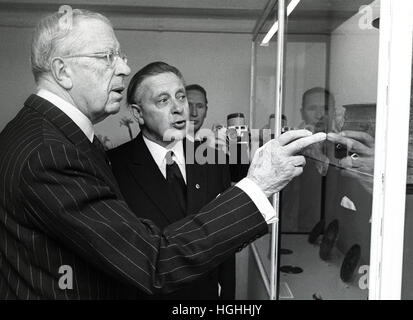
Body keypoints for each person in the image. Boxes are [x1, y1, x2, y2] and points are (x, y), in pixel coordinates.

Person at [0, 8, 326, 299]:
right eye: (107, 57)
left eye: (181, 97)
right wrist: (260, 185)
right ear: (62, 71)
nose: (124, 67)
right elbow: (151, 261)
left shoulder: (55, 138)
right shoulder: (51, 153)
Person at [108, 62, 235, 299]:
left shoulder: (214, 160)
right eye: (163, 101)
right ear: (138, 113)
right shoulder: (113, 166)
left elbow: (224, 243)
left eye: (181, 97)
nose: (179, 109)